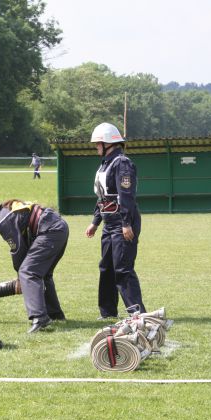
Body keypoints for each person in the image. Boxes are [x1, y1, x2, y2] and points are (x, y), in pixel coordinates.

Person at [0, 195, 68, 333]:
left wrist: (20, 277)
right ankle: (55, 315)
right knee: (43, 274)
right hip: (58, 228)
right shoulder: (3, 213)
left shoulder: (2, 221)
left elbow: (18, 249)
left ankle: (40, 318)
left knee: (28, 272)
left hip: (50, 231)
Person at [85, 123, 146, 319]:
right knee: (106, 268)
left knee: (123, 269)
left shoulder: (122, 163)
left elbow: (126, 196)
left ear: (107, 143)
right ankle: (108, 312)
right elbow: (103, 197)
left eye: (98, 144)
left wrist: (126, 224)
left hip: (122, 223)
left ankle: (137, 314)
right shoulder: (106, 163)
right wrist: (95, 222)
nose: (96, 147)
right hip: (108, 224)